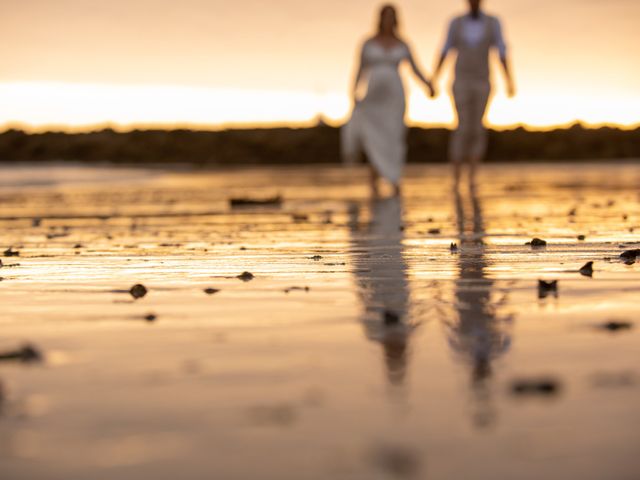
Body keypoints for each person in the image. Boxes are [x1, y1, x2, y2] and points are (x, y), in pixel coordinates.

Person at [342, 4, 434, 197]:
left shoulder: (403, 43)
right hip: (373, 97)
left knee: (394, 137)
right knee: (374, 138)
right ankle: (373, 180)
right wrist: (353, 93)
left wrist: (428, 85)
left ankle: (394, 178)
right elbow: (360, 69)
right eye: (386, 16)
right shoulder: (368, 42)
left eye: (392, 16)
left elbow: (415, 68)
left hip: (395, 97)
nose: (389, 20)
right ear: (380, 18)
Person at [433, 0, 515, 188]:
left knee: (477, 127)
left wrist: (509, 80)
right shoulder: (455, 22)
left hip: (482, 81)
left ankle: (472, 174)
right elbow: (445, 50)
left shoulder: (493, 22)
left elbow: (501, 51)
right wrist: (435, 77)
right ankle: (456, 174)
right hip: (461, 80)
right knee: (462, 126)